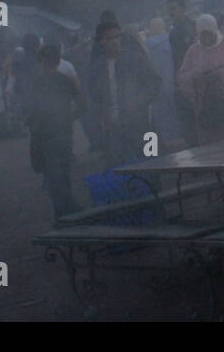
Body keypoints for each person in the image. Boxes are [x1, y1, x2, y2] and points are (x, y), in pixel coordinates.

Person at [85, 21, 161, 166]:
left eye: (117, 37)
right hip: (113, 128)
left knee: (152, 164)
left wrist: (138, 102)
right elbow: (94, 96)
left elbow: (155, 83)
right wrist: (103, 117)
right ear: (101, 42)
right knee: (119, 168)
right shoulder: (97, 69)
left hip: (142, 125)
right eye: (109, 38)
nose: (115, 41)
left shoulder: (136, 58)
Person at [29, 44, 81, 220]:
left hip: (46, 136)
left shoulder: (36, 83)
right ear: (59, 61)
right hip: (65, 134)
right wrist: (67, 118)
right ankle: (71, 212)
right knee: (64, 173)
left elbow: (32, 112)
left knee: (53, 177)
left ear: (41, 62)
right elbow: (83, 106)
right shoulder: (66, 81)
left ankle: (63, 215)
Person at [177, 14, 224, 146]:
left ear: (215, 31)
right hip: (205, 113)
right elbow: (182, 77)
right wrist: (196, 76)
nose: (206, 39)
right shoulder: (193, 51)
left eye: (209, 34)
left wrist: (222, 73)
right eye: (203, 35)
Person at [143, 18, 181, 148]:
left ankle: (167, 143)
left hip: (157, 87)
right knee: (175, 112)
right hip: (173, 82)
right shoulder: (173, 40)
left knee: (162, 116)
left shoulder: (147, 45)